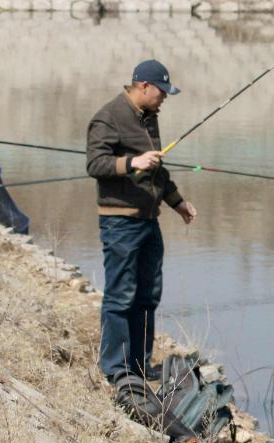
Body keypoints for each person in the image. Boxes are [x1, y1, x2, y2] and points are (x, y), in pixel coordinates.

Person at [86, 59, 196, 383]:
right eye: (161, 92)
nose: (164, 98)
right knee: (120, 295)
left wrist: (177, 202)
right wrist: (133, 160)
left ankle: (139, 365)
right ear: (143, 86)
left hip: (149, 220)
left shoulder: (149, 119)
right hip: (119, 222)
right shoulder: (108, 117)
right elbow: (95, 163)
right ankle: (115, 370)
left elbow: (156, 170)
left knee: (147, 295)